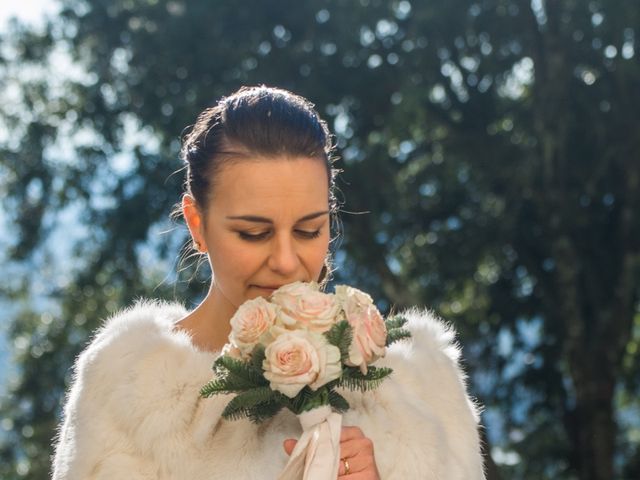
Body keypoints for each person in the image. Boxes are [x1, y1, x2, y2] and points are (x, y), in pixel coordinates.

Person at [52, 86, 485, 479]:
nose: (285, 262)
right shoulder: (128, 391)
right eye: (253, 233)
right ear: (196, 223)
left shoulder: (420, 390)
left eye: (309, 230)